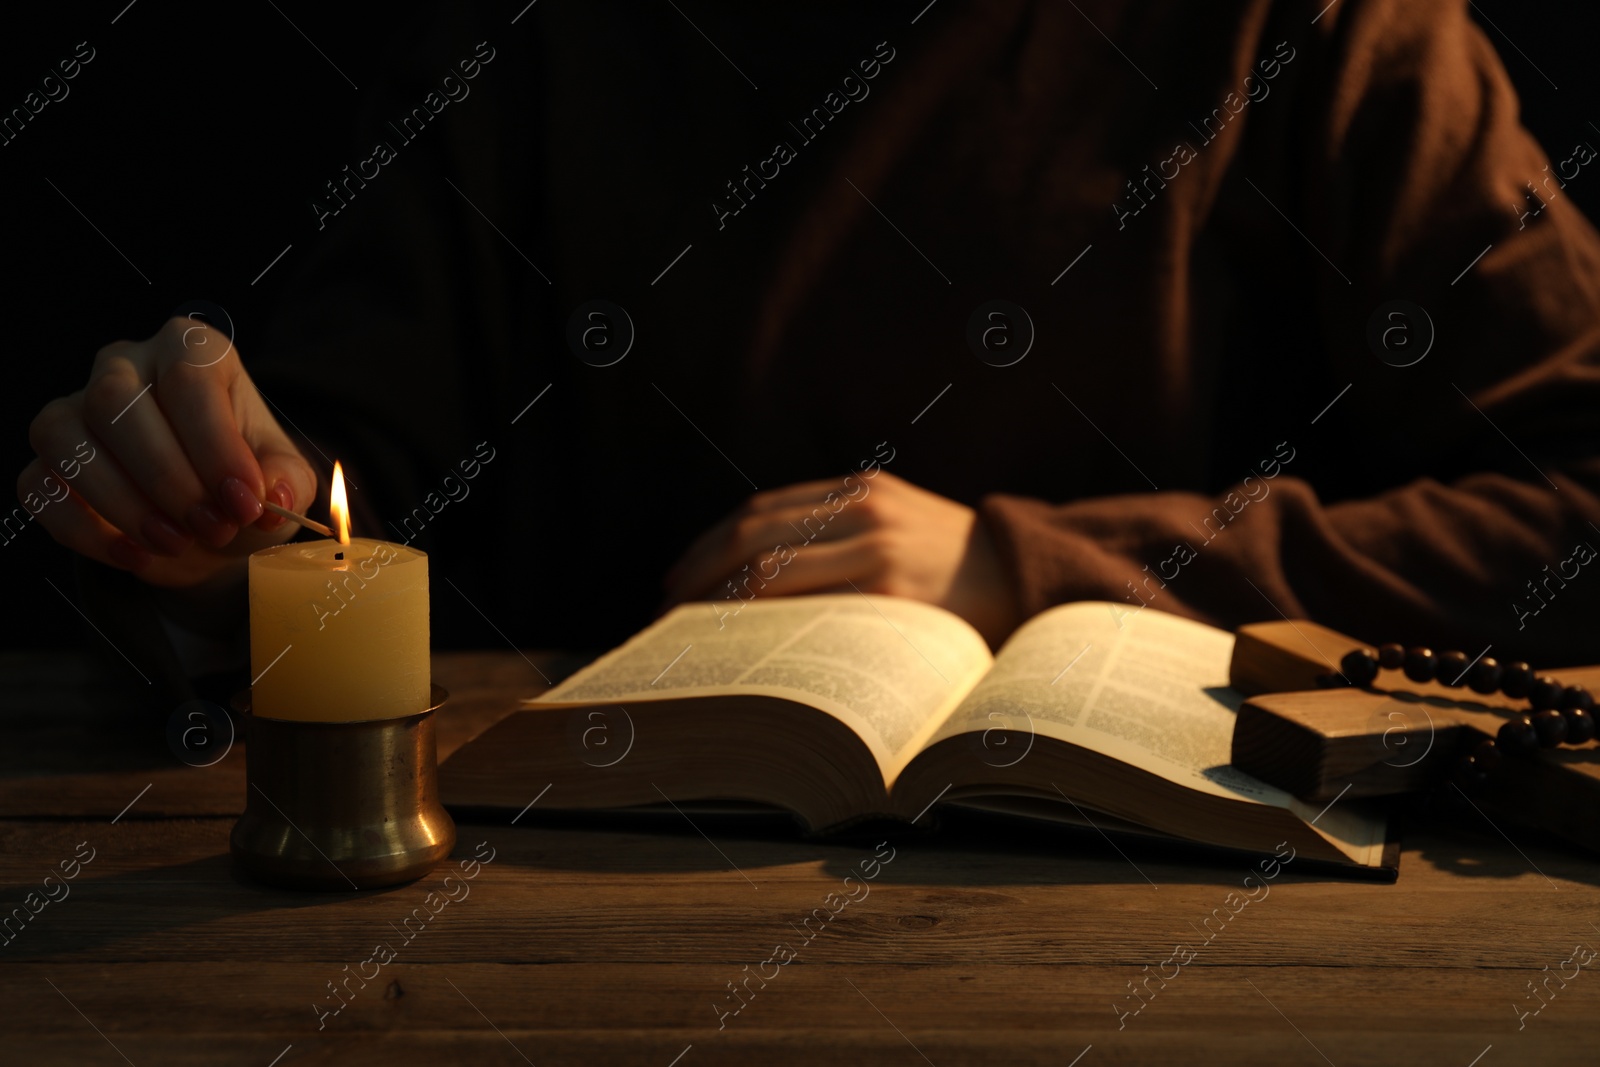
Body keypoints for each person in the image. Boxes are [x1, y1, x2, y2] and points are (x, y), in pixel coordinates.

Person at [17, 0, 1600, 697]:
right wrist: (188, 511)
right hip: (573, 937)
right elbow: (314, 510)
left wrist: (1020, 572)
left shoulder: (1324, 23)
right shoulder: (551, 32)